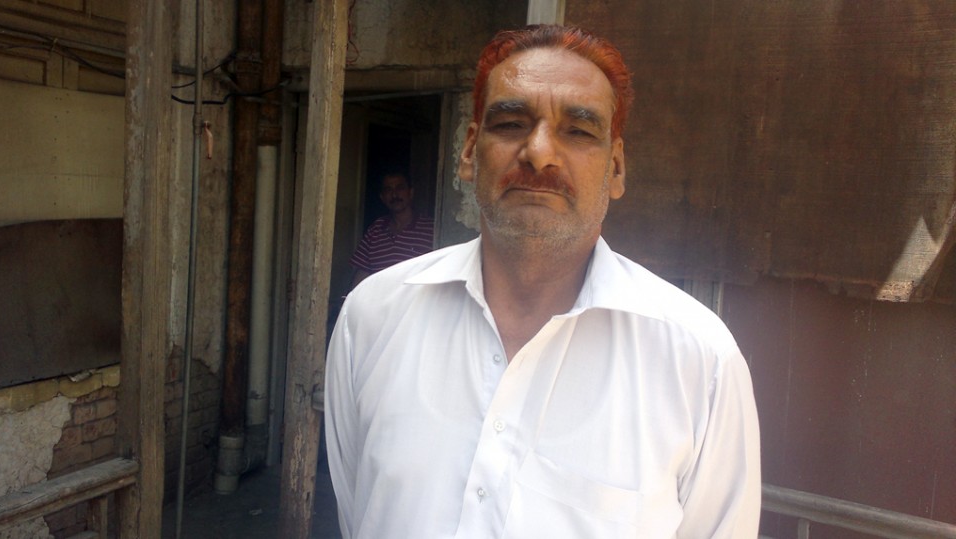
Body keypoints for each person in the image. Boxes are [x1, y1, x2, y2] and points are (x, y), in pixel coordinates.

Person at [325, 24, 760, 538]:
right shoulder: (372, 316)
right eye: (511, 123)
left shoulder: (699, 361)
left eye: (578, 131)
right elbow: (358, 511)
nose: (539, 152)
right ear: (469, 152)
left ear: (616, 168)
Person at [348, 172, 435, 288]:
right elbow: (362, 274)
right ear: (382, 197)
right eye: (388, 190)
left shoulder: (430, 228)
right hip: (380, 299)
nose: (394, 195)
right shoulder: (375, 230)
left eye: (400, 188)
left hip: (417, 299)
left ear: (410, 193)